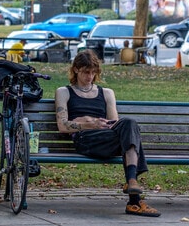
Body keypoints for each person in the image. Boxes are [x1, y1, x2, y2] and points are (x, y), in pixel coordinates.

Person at [54, 50, 161, 217]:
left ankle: (132, 185)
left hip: (107, 137)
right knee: (131, 139)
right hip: (85, 140)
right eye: (85, 72)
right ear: (76, 70)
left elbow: (115, 123)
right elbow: (62, 126)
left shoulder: (106, 93)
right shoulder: (64, 92)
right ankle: (134, 199)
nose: (90, 76)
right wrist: (87, 124)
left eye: (93, 72)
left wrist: (101, 124)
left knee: (129, 124)